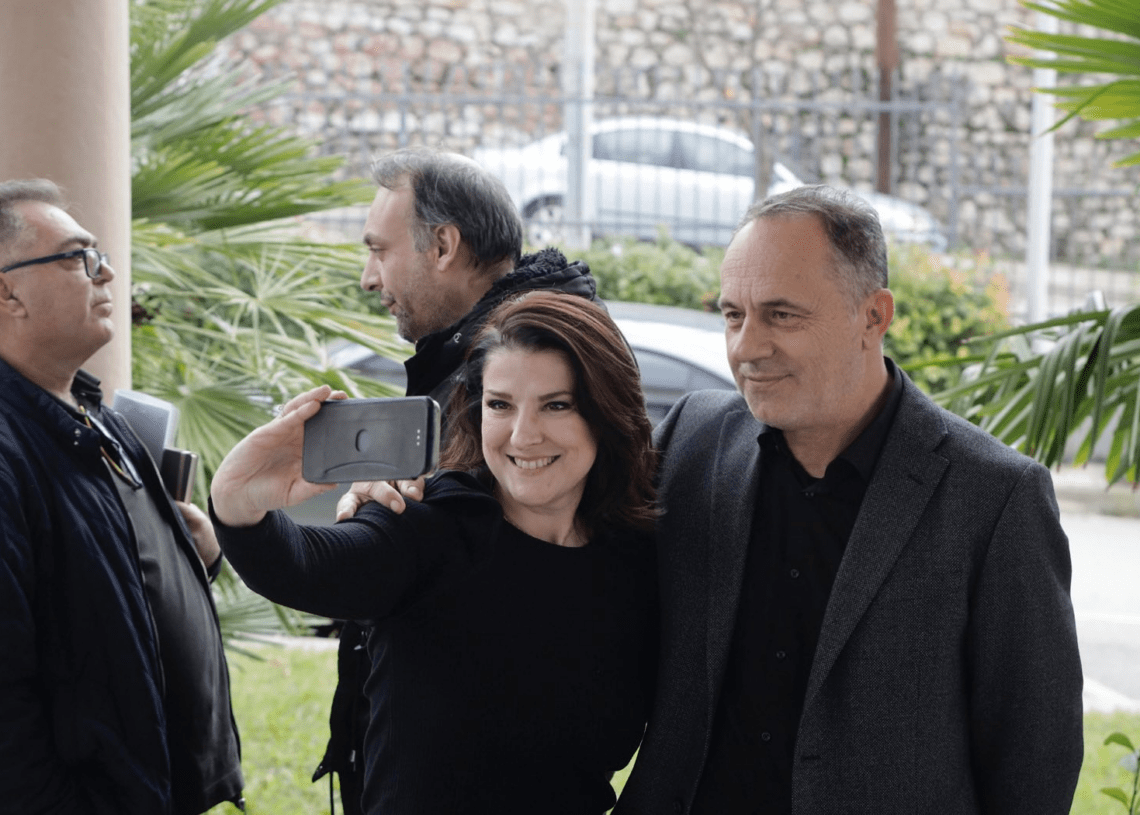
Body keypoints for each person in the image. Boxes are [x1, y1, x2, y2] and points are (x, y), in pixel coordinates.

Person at [613, 185, 1084, 814]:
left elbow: (1035, 763)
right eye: (732, 315)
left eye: (782, 315)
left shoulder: (995, 498)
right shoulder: (693, 440)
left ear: (873, 316)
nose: (746, 347)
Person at [209, 291, 658, 814]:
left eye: (557, 405)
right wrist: (239, 501)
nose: (523, 435)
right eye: (500, 405)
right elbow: (306, 566)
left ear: (606, 412)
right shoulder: (430, 523)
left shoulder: (637, 557)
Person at [317, 145, 597, 813]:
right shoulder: (468, 359)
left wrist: (247, 512)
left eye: (378, 250)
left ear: (443, 245)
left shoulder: (514, 368)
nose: (367, 277)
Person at [0, 178, 244, 814]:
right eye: (78, 257)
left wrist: (196, 556)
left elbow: (102, 584)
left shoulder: (95, 415)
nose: (106, 271)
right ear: (7, 292)